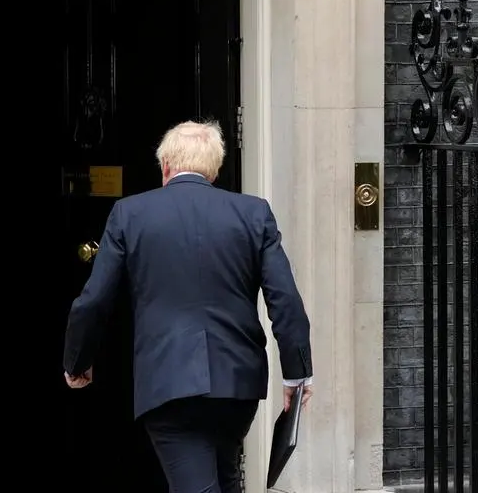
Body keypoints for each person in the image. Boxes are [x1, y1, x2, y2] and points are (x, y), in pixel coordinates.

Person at [62, 120, 313, 493]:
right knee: (225, 479)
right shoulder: (253, 213)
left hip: (168, 382)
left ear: (165, 166)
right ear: (214, 169)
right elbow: (286, 300)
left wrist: (77, 360)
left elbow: (95, 299)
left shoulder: (130, 214)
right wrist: (296, 373)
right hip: (237, 385)